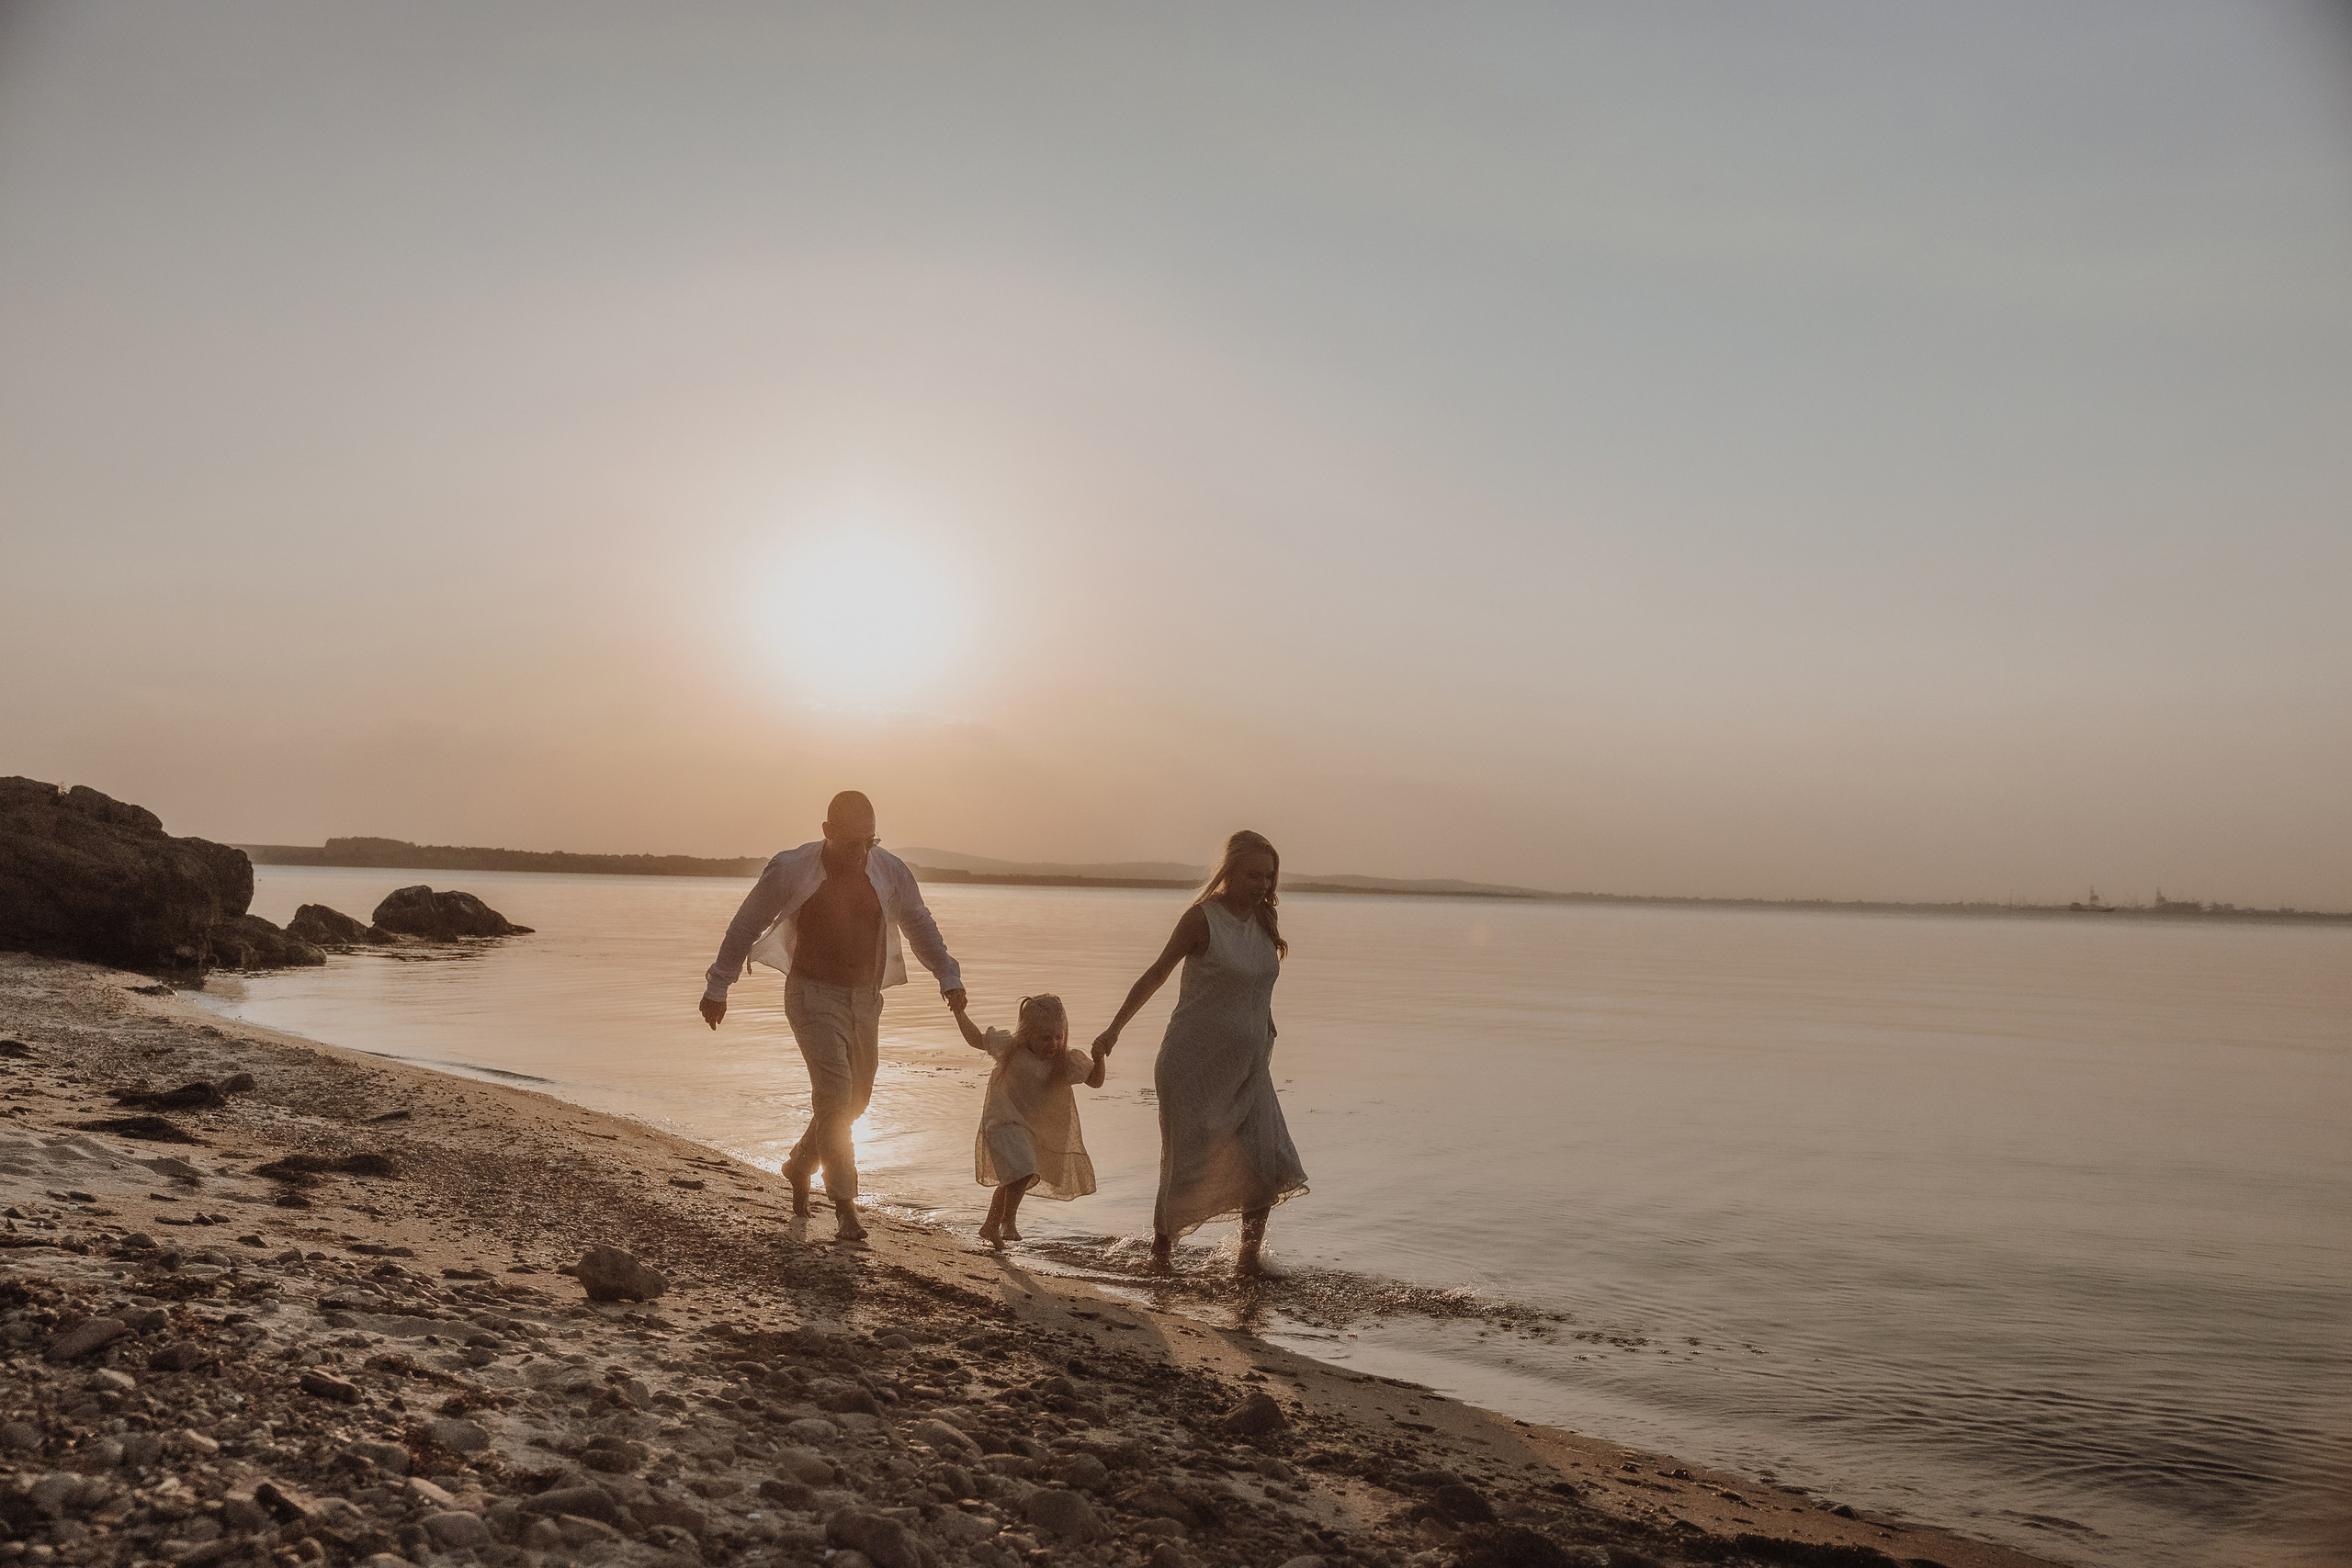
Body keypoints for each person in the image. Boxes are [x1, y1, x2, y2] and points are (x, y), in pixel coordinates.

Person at [699, 790, 965, 1241]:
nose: (861, 852)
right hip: (811, 995)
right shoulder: (791, 868)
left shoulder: (889, 870)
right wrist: (718, 985)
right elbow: (746, 923)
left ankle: (799, 1164)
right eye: (851, 842)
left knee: (855, 1101)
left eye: (870, 841)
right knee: (835, 1093)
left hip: (866, 998)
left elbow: (919, 922)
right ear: (826, 832)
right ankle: (845, 1208)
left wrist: (948, 977)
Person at [1092, 829, 1306, 1275]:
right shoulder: (1202, 919)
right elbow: (1156, 973)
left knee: (1264, 1161)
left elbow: (1257, 989)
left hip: (1250, 1066)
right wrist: (1114, 1030)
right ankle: (1162, 1254)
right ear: (1229, 871)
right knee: (1186, 1162)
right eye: (1253, 875)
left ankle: (1247, 1259)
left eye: (1269, 877)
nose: (1263, 885)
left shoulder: (1265, 922)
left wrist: (1264, 1032)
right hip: (1192, 1063)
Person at [949, 991, 1107, 1246]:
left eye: (1058, 1037)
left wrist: (1099, 1058)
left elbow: (1096, 1082)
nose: (1052, 1044)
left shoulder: (1064, 1062)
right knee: (1024, 1172)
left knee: (1015, 1177)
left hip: (1033, 1131)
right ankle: (1008, 1222)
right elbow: (976, 1039)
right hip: (1002, 1124)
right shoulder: (1011, 1048)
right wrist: (959, 1013)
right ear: (1026, 1033)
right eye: (1045, 1038)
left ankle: (990, 1226)